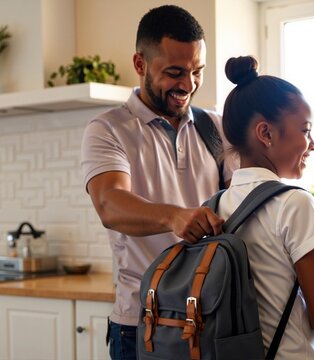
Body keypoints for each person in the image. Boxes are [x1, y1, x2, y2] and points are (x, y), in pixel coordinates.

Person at [80, 5, 238, 359]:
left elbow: (246, 195)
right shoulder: (109, 130)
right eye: (175, 72)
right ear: (140, 64)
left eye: (197, 71)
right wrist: (174, 216)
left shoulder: (217, 127)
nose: (188, 84)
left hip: (210, 316)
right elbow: (109, 203)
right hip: (141, 324)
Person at [217, 55, 314, 358]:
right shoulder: (294, 202)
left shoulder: (214, 206)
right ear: (266, 133)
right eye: (306, 130)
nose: (313, 144)